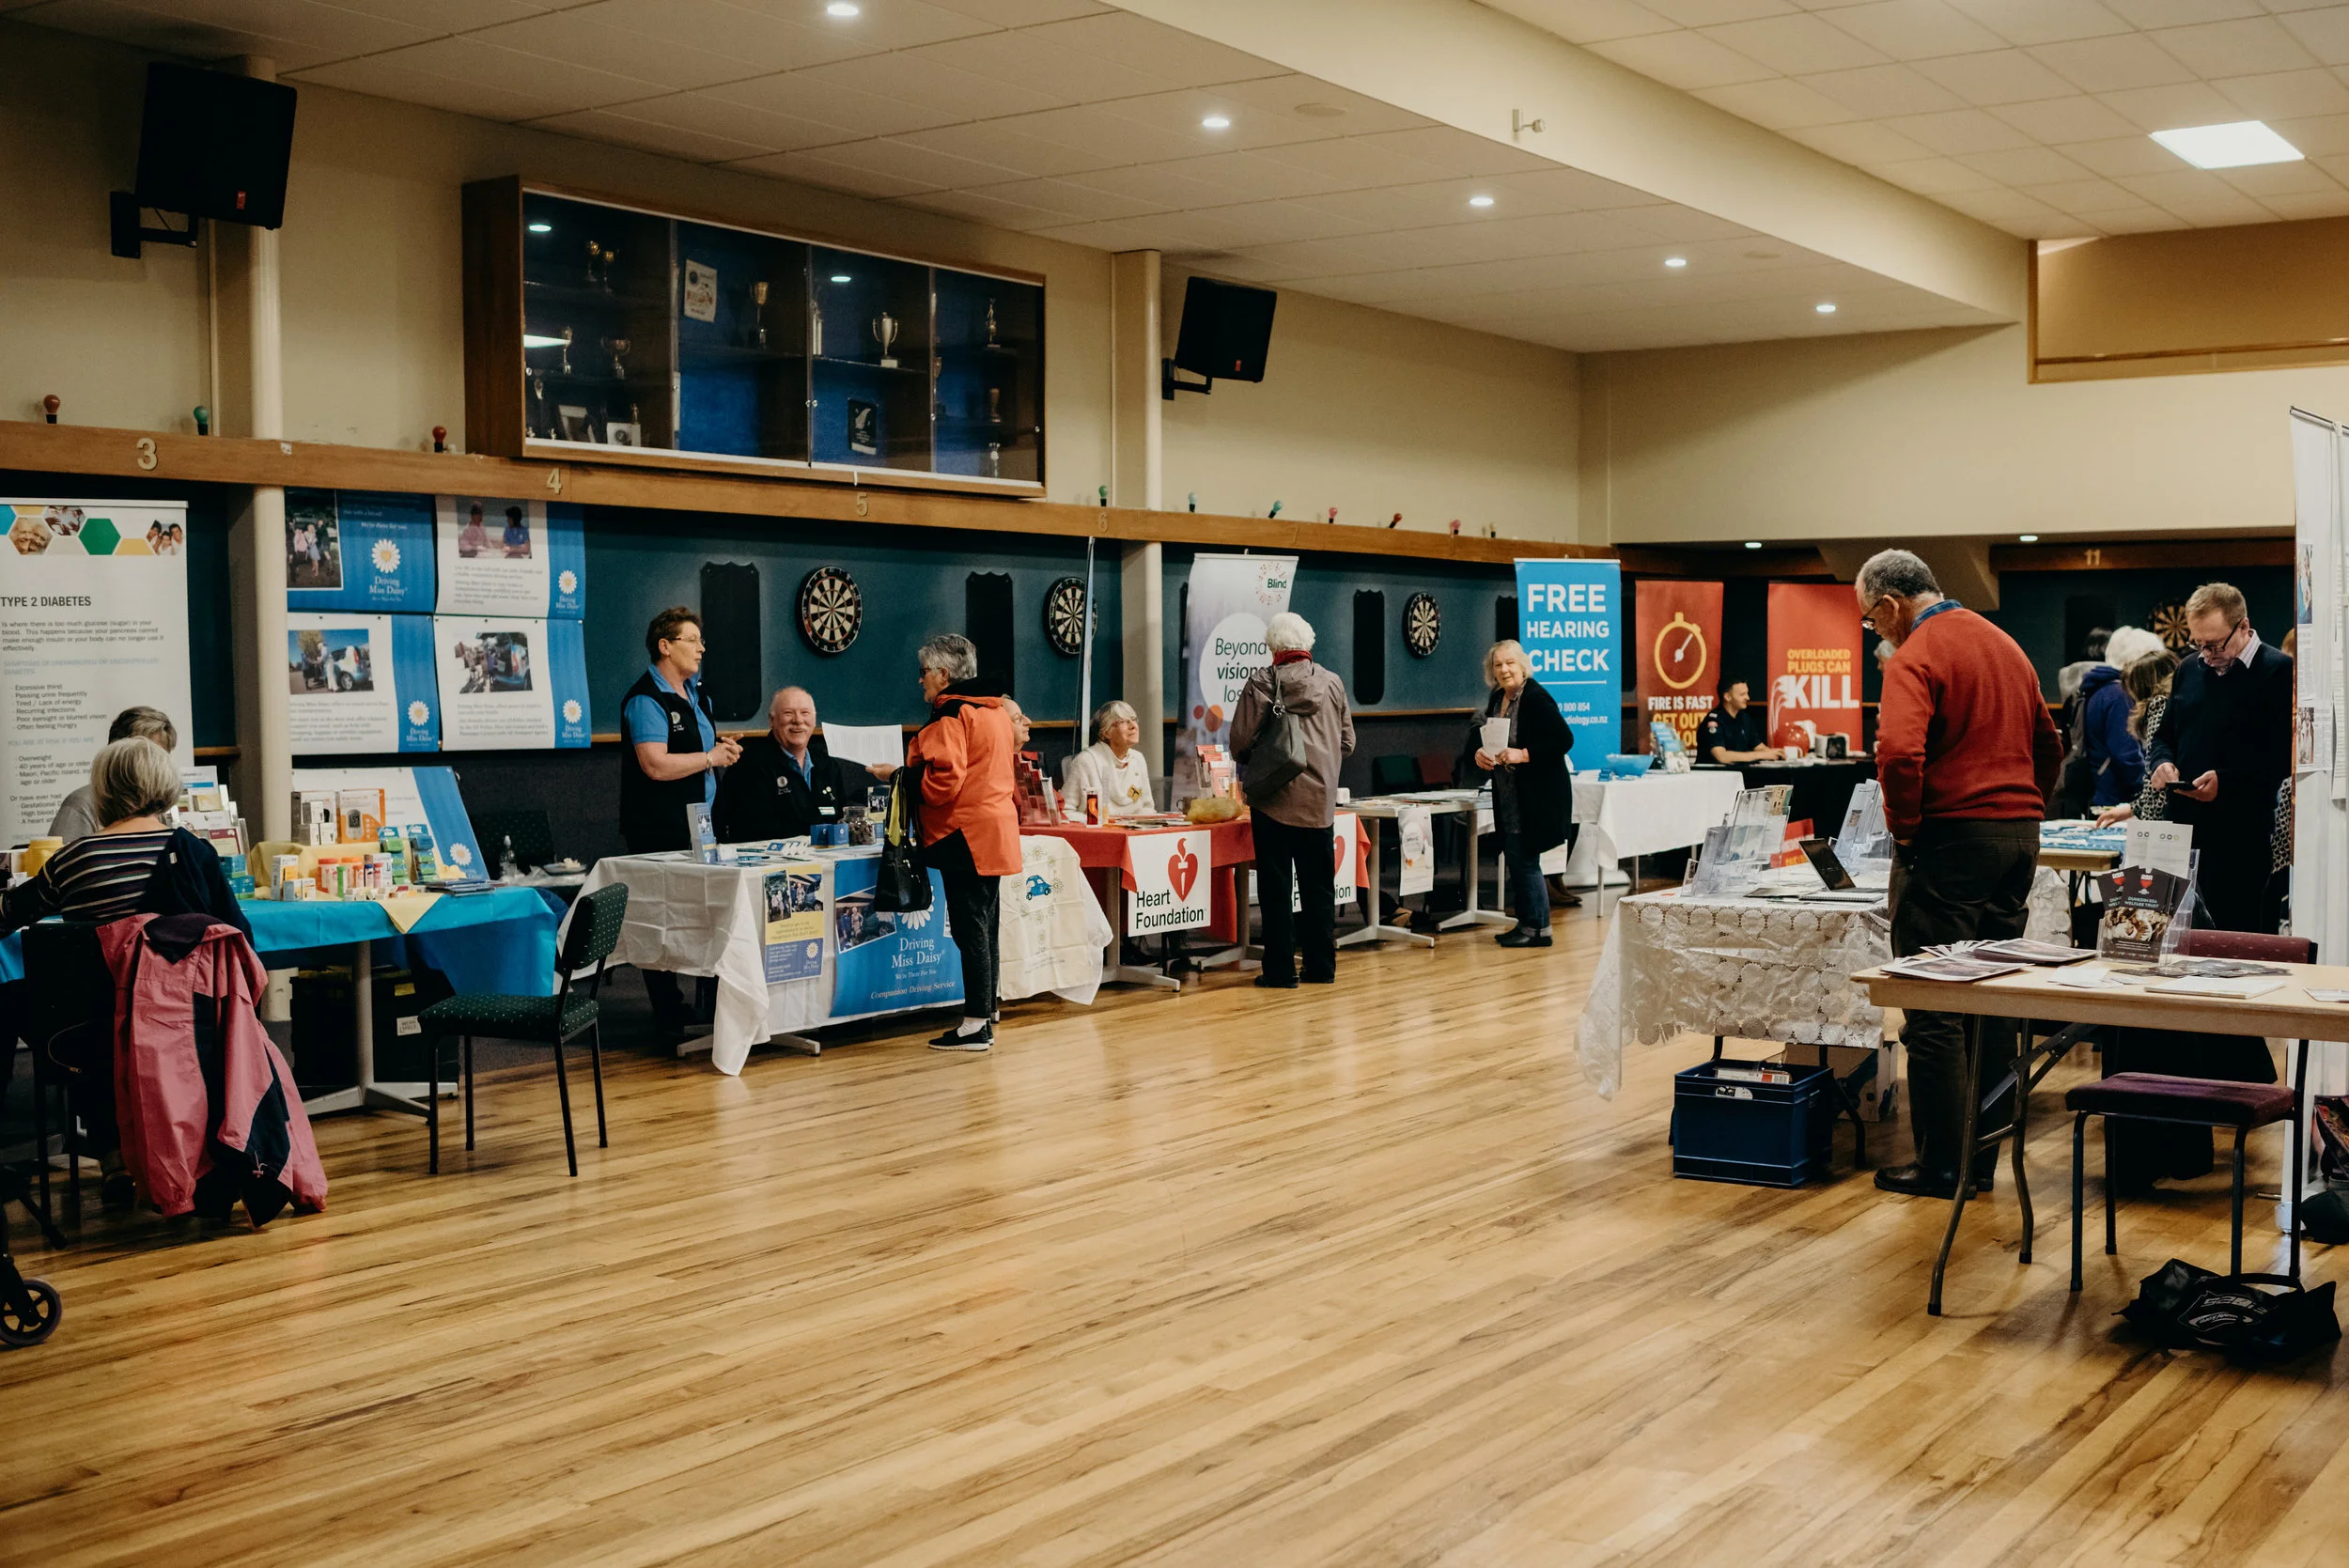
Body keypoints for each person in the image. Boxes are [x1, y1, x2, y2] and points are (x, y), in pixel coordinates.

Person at [1859, 549, 2061, 1200]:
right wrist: (2024, 808)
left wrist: (1905, 827)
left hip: (1950, 838)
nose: (1876, 630)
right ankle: (1981, 1161)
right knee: (1992, 999)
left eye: (1871, 620)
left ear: (1890, 605)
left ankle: (1943, 1165)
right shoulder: (2006, 644)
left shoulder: (1916, 653)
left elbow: (1898, 754)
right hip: (2018, 835)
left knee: (1933, 1003)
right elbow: (2050, 745)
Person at [618, 606, 741, 1040]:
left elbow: (698, 752)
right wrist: (710, 757)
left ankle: (711, 1002)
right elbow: (654, 764)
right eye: (692, 640)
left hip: (701, 824)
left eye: (701, 641)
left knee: (704, 912)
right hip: (658, 826)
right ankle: (667, 1011)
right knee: (661, 916)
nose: (701, 648)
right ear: (665, 646)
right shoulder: (645, 700)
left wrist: (720, 750)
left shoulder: (698, 696)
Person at [2145, 582, 2295, 934]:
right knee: (2176, 941)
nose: (2206, 654)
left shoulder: (2278, 670)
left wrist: (2225, 782)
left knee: (2234, 942)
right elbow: (2164, 735)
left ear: (2243, 626)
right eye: (2197, 643)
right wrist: (2161, 763)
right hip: (2182, 830)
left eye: (2214, 644)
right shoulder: (2188, 669)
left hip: (2241, 834)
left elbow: (2282, 756)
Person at [5, 738, 248, 939]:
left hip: (95, 985)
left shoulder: (73, 860)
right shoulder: (194, 852)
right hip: (183, 985)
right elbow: (238, 936)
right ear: (166, 785)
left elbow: (8, 913)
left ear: (103, 790)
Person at [906, 633, 1019, 1052]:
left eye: (924, 672)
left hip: (963, 833)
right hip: (996, 829)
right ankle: (986, 1012)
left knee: (970, 930)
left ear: (943, 673)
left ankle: (975, 1025)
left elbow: (944, 780)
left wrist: (903, 779)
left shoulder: (951, 713)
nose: (921, 681)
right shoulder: (995, 711)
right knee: (985, 928)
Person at [1230, 612, 1356, 989]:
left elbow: (1239, 742)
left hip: (1274, 800)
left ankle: (1281, 970)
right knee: (1320, 888)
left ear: (1272, 647)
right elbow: (1348, 742)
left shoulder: (1262, 681)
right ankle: (1321, 967)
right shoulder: (1332, 683)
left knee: (1275, 889)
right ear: (1308, 644)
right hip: (1320, 802)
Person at [1461, 639, 1572, 949]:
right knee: (1515, 856)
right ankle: (1525, 923)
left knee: (1526, 859)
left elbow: (1563, 740)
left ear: (1522, 665)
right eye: (1498, 665)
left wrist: (1524, 754)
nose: (1504, 669)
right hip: (1509, 795)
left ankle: (1540, 928)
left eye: (1510, 663)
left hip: (1537, 796)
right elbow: (1485, 736)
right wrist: (1480, 753)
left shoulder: (1536, 698)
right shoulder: (1498, 697)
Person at [711, 685, 891, 842]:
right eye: (788, 713)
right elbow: (753, 830)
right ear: (772, 721)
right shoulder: (749, 767)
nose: (798, 720)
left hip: (828, 859)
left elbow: (840, 817)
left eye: (805, 713)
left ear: (814, 720)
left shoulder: (827, 765)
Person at [2065, 625, 2164, 815]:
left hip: (2101, 795)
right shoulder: (2119, 695)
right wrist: (2151, 792)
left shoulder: (2099, 689)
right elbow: (2126, 754)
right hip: (2117, 801)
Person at [51, 706, 179, 844]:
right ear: (117, 753)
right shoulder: (82, 803)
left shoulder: (159, 802)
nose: (157, 765)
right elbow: (62, 855)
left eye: (161, 756)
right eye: (147, 755)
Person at [1062, 700, 1156, 818]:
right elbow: (1065, 812)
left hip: (1134, 829)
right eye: (1123, 721)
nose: (1133, 726)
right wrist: (1099, 822)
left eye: (1133, 719)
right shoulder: (1086, 761)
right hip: (1098, 829)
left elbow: (1148, 808)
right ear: (1106, 732)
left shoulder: (1138, 759)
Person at [1697, 679, 1775, 765]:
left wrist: (1775, 753)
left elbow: (1759, 747)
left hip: (1740, 771)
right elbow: (1721, 756)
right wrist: (1760, 755)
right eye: (1742, 694)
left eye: (1747, 693)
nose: (1748, 698)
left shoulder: (1744, 718)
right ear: (1727, 697)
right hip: (1716, 772)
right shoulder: (1714, 721)